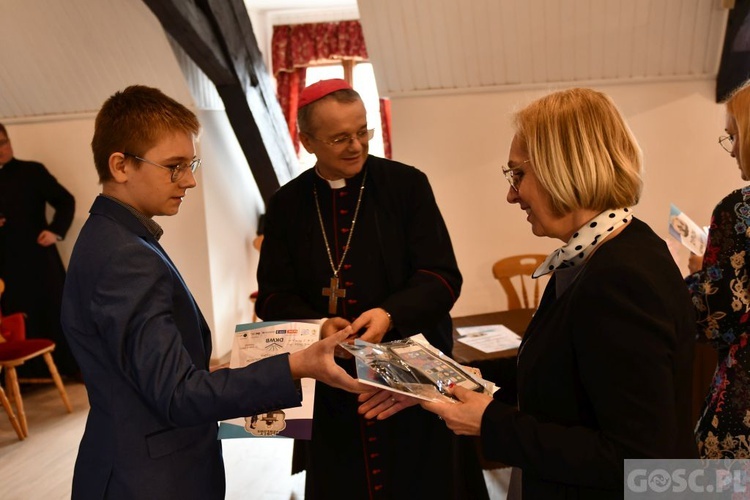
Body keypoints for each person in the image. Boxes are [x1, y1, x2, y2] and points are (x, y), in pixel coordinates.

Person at [360, 87, 698, 499]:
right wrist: (443, 383)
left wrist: (490, 423)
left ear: (563, 166)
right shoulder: (600, 250)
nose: (511, 194)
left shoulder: (619, 276)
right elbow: (567, 382)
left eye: (517, 174)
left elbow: (640, 462)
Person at [61, 85, 365, 500]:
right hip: (150, 478)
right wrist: (296, 365)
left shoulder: (111, 236)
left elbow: (144, 373)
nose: (188, 180)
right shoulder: (125, 257)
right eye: (174, 166)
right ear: (120, 165)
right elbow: (178, 396)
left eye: (191, 164)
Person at [256, 79, 487, 499]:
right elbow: (271, 296)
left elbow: (442, 277)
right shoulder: (287, 205)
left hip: (414, 381)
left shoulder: (407, 185)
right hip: (334, 384)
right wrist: (323, 325)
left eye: (363, 131)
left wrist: (388, 315)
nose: (356, 146)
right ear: (307, 141)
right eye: (340, 137)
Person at [687, 79, 750, 459]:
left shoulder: (738, 213)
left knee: (649, 485)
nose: (732, 151)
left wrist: (700, 276)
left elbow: (712, 318)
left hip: (742, 418)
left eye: (734, 136)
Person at [0, 123, 78, 377]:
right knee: (16, 318)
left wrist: (55, 231)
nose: (1, 149)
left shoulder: (32, 171)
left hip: (38, 258)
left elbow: (65, 200)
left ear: (9, 140)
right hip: (5, 264)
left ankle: (68, 368)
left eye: (2, 142)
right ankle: (23, 378)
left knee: (56, 311)